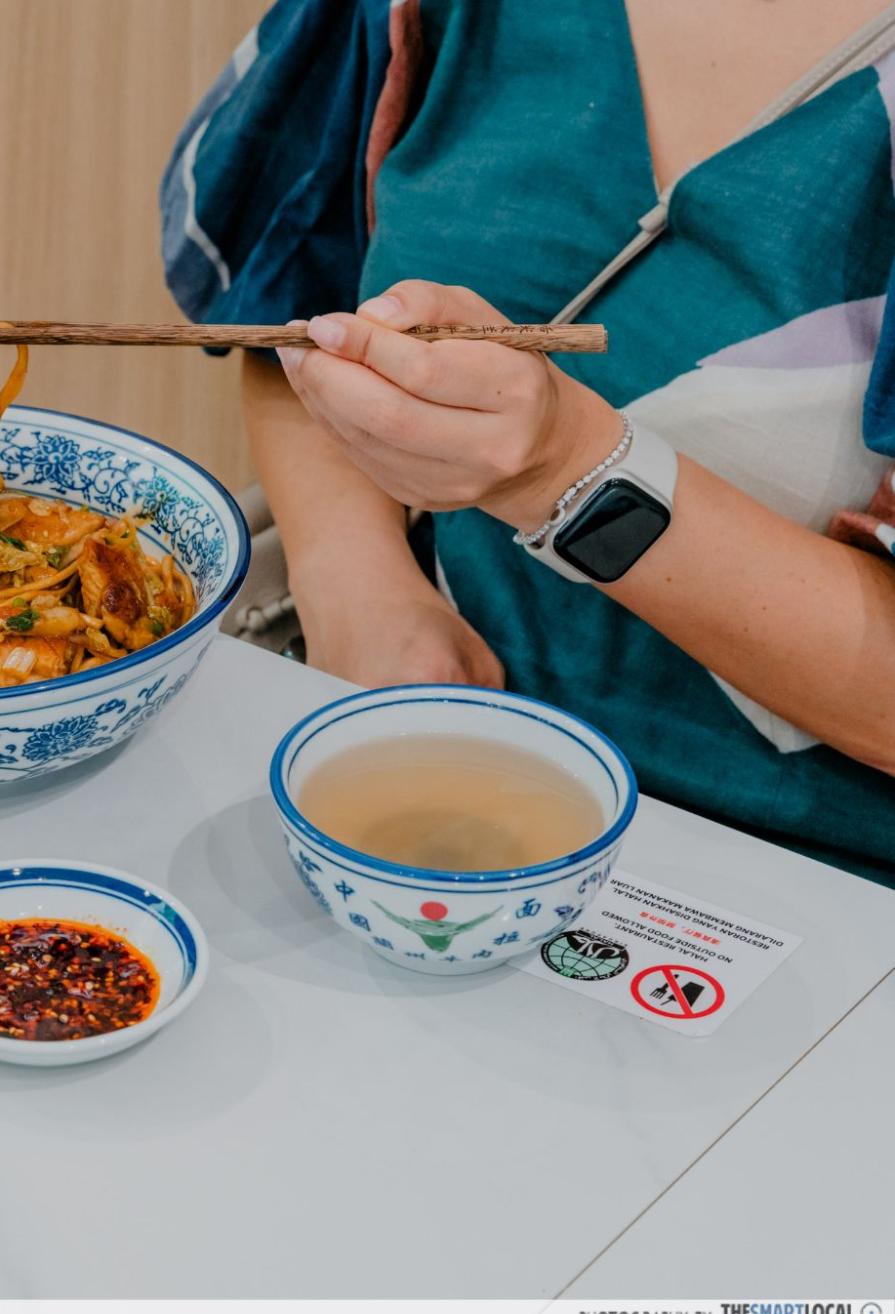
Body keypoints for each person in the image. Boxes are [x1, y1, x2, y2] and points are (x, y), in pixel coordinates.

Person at [162, 0, 895, 885]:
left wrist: (573, 470)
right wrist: (360, 590)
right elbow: (292, 321)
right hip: (396, 801)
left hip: (801, 899)